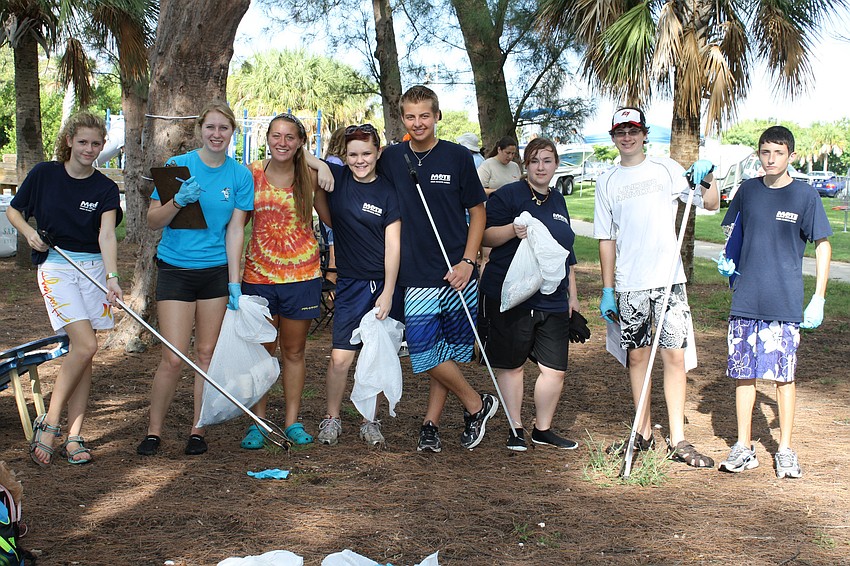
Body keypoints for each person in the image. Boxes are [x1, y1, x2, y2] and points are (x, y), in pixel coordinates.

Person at [593, 107, 719, 468]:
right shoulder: (607, 180)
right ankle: (643, 433)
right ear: (613, 136)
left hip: (668, 282)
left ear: (644, 134)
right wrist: (607, 289)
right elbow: (605, 239)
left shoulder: (666, 169)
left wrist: (707, 175)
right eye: (621, 131)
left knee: (675, 357)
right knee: (636, 357)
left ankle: (678, 440)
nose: (627, 137)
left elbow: (709, 203)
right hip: (630, 285)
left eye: (633, 130)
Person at [379, 85, 498, 452]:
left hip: (455, 270)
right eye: (411, 116)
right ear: (402, 119)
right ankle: (477, 403)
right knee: (423, 349)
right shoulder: (391, 158)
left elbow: (478, 212)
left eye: (425, 116)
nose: (418, 123)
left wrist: (468, 261)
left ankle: (430, 423)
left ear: (437, 116)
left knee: (443, 350)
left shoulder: (458, 157)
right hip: (414, 272)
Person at [137, 102, 253, 457]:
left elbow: (236, 231)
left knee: (206, 354)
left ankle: (197, 430)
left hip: (215, 273)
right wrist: (177, 201)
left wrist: (234, 281)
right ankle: (154, 431)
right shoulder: (179, 167)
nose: (216, 134)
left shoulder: (239, 176)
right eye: (211, 127)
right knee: (173, 356)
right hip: (176, 269)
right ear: (200, 130)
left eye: (224, 128)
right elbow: (154, 221)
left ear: (232, 133)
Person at [7, 111, 123, 466]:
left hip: (92, 269)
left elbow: (106, 235)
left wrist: (112, 277)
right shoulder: (45, 174)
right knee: (85, 345)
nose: (89, 149)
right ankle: (50, 423)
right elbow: (14, 211)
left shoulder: (105, 188)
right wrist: (30, 235)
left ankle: (75, 436)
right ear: (70, 140)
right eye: (83, 142)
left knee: (85, 354)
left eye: (96, 144)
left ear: (103, 147)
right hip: (57, 266)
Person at [716, 126, 832, 478]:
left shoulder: (804, 196)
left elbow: (823, 244)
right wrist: (728, 260)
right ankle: (743, 447)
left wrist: (819, 297)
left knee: (784, 378)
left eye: (778, 153)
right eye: (765, 152)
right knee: (744, 375)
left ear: (790, 156)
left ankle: (784, 450)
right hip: (746, 299)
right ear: (759, 154)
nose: (771, 159)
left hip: (784, 302)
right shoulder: (747, 191)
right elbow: (730, 231)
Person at [479, 137, 580, 451]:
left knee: (555, 369)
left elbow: (565, 251)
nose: (541, 167)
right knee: (512, 364)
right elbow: (484, 235)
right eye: (535, 160)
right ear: (525, 164)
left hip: (553, 297)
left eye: (547, 161)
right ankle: (515, 427)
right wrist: (513, 229)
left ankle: (543, 428)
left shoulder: (558, 201)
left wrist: (572, 297)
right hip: (513, 295)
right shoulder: (509, 195)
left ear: (555, 165)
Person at [239, 113, 332, 448]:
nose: (282, 142)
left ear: (299, 143)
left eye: (290, 137)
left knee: (293, 351)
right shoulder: (250, 174)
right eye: (276, 135)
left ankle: (292, 421)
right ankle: (257, 421)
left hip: (302, 277)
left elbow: (331, 218)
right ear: (267, 138)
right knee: (261, 353)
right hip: (258, 277)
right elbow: (237, 224)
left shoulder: (309, 176)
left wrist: (323, 168)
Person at [315, 123, 402, 447]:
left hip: (379, 284)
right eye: (353, 154)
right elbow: (322, 206)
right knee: (341, 358)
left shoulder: (388, 192)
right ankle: (332, 417)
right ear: (344, 155)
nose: (360, 160)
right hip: (350, 284)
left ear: (377, 153)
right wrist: (322, 164)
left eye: (366, 153)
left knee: (376, 356)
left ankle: (370, 420)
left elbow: (394, 247)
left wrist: (389, 292)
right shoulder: (337, 181)